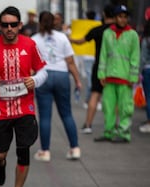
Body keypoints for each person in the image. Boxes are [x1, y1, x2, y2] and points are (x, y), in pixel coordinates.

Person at [0, 6, 47, 187]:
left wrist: (35, 80)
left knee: (24, 150)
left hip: (24, 109)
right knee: (0, 153)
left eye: (13, 24)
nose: (9, 28)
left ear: (20, 25)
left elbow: (43, 70)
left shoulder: (30, 45)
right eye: (5, 25)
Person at [31, 11, 83, 162]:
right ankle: (75, 148)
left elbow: (31, 65)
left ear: (39, 23)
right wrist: (78, 81)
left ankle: (45, 151)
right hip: (61, 75)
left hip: (44, 76)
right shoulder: (62, 37)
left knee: (45, 116)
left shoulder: (34, 40)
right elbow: (70, 62)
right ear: (54, 22)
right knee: (66, 113)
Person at [95, 5, 140, 143]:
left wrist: (133, 77)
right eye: (120, 16)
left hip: (125, 78)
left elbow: (135, 57)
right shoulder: (107, 33)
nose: (122, 19)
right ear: (115, 18)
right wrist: (101, 74)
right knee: (108, 107)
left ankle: (124, 133)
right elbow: (103, 55)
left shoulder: (132, 35)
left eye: (125, 17)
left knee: (125, 108)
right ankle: (108, 132)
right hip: (109, 76)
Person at [70, 4, 114, 134]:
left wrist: (69, 38)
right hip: (115, 67)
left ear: (104, 15)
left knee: (95, 94)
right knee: (114, 97)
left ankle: (88, 125)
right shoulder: (117, 31)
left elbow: (80, 41)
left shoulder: (98, 29)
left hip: (99, 66)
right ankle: (114, 126)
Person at [140, 8, 150, 133]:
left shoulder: (146, 38)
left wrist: (138, 72)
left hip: (148, 70)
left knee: (149, 97)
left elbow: (142, 58)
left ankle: (149, 122)